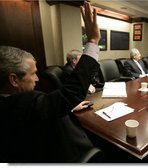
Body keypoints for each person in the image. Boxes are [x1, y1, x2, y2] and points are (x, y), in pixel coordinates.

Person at [0, 1, 102, 162]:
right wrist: (93, 40)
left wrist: (67, 106)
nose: (37, 78)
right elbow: (70, 94)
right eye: (33, 74)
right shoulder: (18, 105)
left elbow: (45, 108)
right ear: (13, 79)